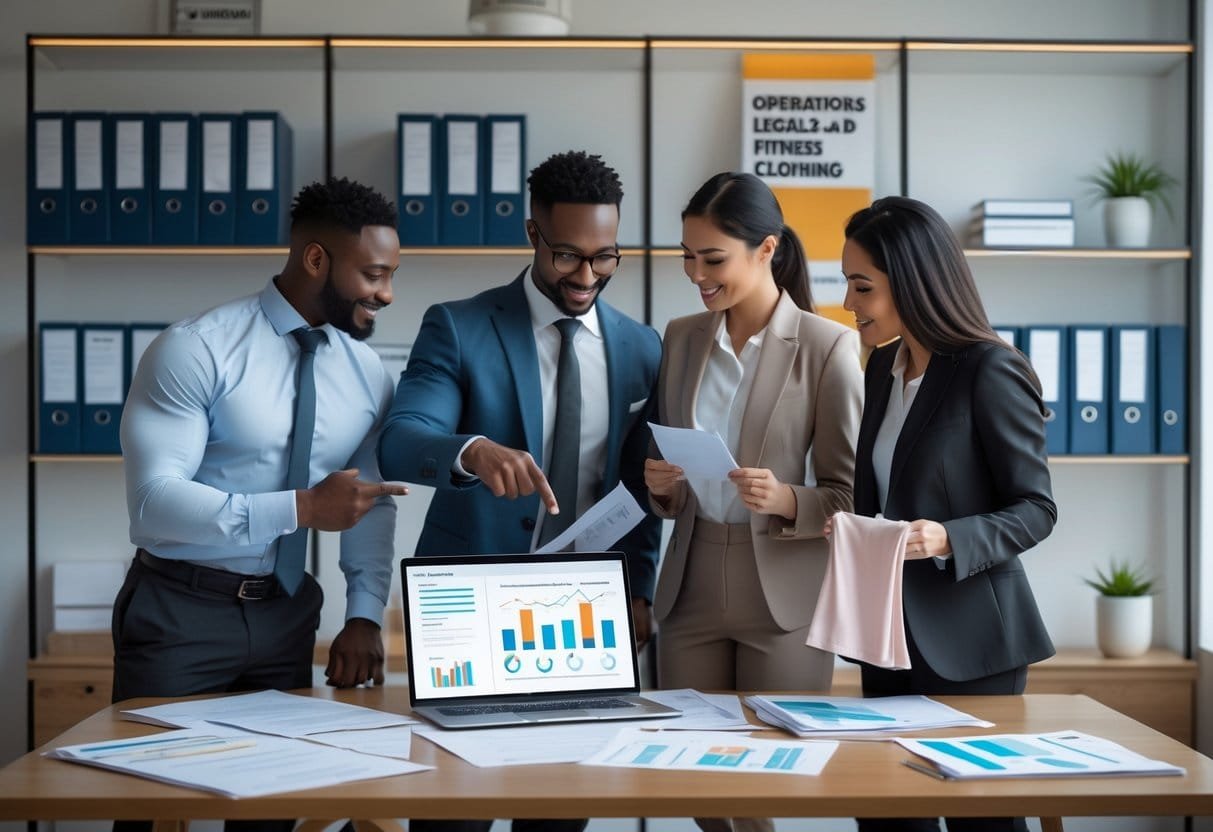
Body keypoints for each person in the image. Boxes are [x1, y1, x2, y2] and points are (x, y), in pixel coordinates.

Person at [378, 150, 662, 832]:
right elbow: (403, 436)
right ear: (533, 234)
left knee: (560, 812)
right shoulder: (459, 325)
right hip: (470, 599)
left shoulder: (643, 347)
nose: (587, 276)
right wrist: (470, 450)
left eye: (605, 257)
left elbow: (641, 484)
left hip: (583, 612)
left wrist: (642, 588)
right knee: (454, 813)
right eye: (568, 256)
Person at [114, 177, 408, 832]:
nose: (386, 294)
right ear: (315, 260)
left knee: (271, 810)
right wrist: (299, 510)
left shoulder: (365, 373)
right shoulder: (196, 348)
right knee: (148, 810)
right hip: (179, 613)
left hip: (284, 614)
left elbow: (368, 502)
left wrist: (363, 614)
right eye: (373, 274)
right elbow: (153, 503)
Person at [644, 172, 863, 832]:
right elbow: (677, 468)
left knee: (769, 777)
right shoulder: (681, 338)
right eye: (686, 256)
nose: (695, 274)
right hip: (690, 584)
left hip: (785, 593)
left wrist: (786, 496)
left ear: (766, 250)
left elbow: (850, 496)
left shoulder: (828, 347)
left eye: (712, 259)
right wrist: (665, 490)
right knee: (696, 776)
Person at [834, 195, 1057, 832]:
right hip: (887, 640)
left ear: (912, 283)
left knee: (981, 822)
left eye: (862, 287)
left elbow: (1036, 509)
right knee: (885, 819)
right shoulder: (881, 367)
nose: (850, 304)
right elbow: (883, 491)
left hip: (972, 647)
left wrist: (946, 537)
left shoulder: (991, 370)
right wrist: (854, 528)